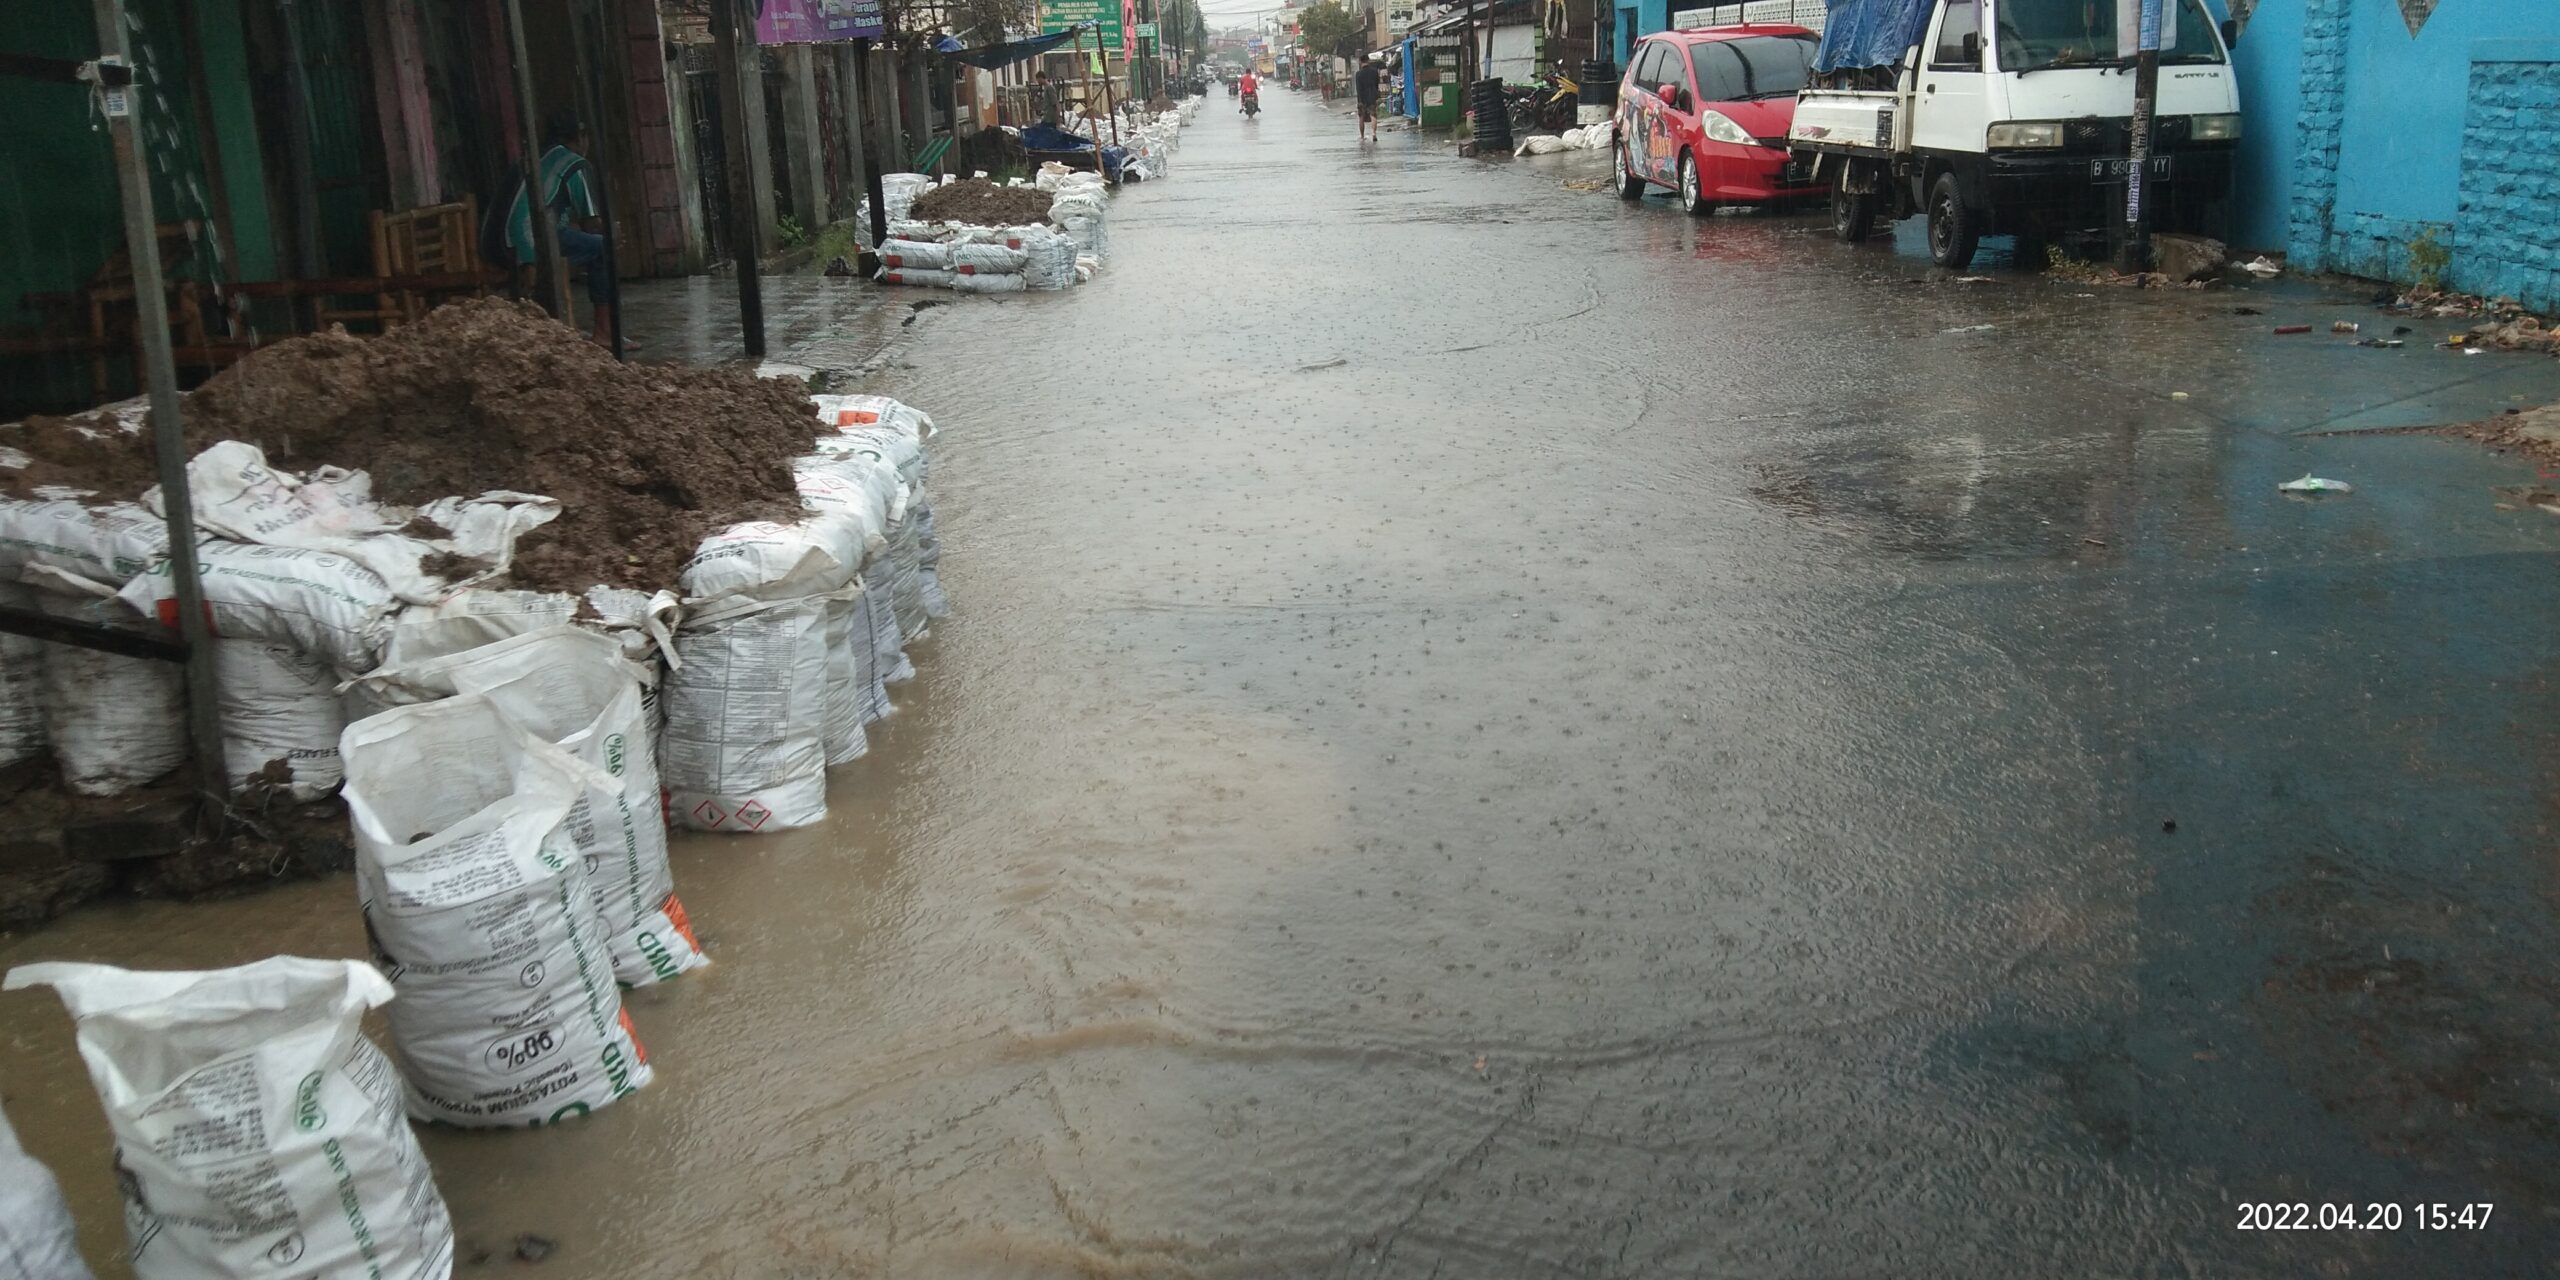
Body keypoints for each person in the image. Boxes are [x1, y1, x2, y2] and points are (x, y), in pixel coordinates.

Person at [505, 107, 626, 349]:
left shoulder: (543, 157)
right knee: (604, 248)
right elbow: (591, 224)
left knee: (594, 244)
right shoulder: (575, 163)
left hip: (508, 238)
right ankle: (604, 330)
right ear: (581, 138)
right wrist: (614, 232)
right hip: (531, 240)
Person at [1354, 55, 1385, 142]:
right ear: (1368, 60)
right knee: (1373, 115)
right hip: (1372, 95)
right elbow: (1376, 83)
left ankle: (1362, 136)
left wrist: (1359, 99)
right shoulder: (1374, 72)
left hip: (1362, 97)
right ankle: (1374, 134)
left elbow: (1358, 87)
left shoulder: (1358, 74)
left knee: (1361, 117)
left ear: (1360, 62)